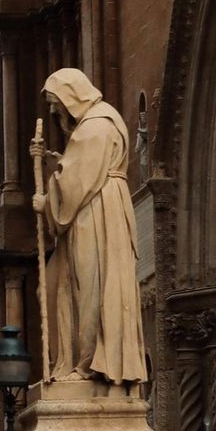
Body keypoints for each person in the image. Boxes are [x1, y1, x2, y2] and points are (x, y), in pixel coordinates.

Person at [36, 66, 148, 388]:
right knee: (83, 284)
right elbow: (77, 168)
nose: (56, 112)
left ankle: (89, 362)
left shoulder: (96, 126)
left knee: (91, 286)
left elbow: (74, 183)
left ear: (72, 96)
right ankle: (83, 359)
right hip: (97, 205)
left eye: (57, 105)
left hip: (95, 213)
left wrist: (47, 199)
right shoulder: (97, 123)